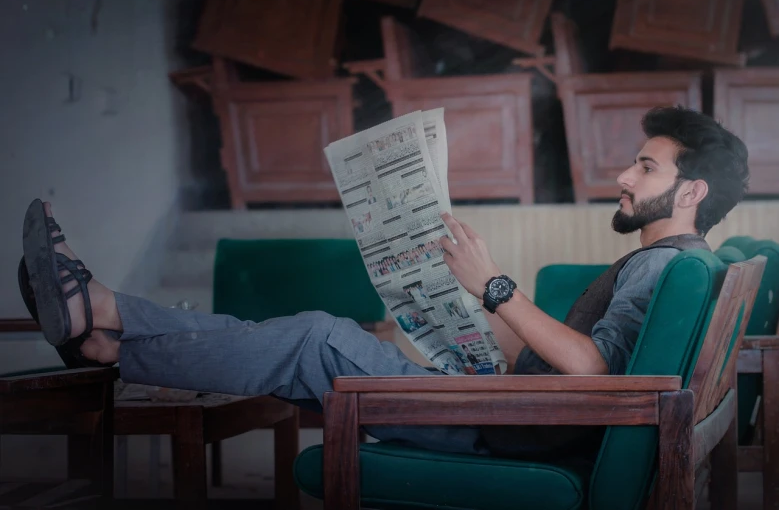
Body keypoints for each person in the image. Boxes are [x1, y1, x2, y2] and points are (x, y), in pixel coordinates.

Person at [19, 106, 749, 459]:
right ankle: (109, 340)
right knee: (313, 347)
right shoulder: (673, 262)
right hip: (516, 410)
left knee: (317, 338)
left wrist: (496, 285)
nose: (623, 175)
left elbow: (593, 370)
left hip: (513, 431)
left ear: (690, 192)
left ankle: (107, 318)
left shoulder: (665, 264)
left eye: (645, 167)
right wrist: (464, 294)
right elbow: (579, 362)